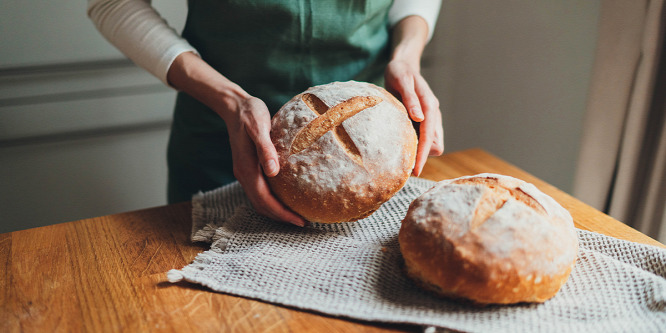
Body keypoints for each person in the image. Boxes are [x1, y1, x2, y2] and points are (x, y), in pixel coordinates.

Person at [88, 0, 444, 227]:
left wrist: (407, 55)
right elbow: (113, 3)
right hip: (221, 142)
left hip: (374, 145)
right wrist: (230, 101)